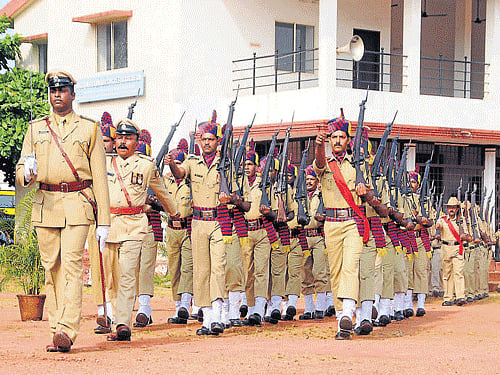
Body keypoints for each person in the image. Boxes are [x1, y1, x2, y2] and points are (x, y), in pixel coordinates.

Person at [16, 70, 111, 352]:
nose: (57, 95)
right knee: (51, 269)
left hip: (77, 202)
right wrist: (26, 174)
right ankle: (56, 329)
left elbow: (100, 179)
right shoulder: (36, 128)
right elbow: (21, 167)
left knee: (71, 265)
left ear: (73, 94)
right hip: (46, 203)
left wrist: (103, 220)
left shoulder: (89, 128)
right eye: (53, 91)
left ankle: (68, 330)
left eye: (63, 90)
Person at [165, 111, 238, 336]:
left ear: (218, 142)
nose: (207, 143)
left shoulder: (225, 165)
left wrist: (229, 198)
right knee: (201, 270)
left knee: (218, 268)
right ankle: (206, 318)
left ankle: (217, 315)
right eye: (203, 139)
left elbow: (235, 195)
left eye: (211, 139)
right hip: (197, 222)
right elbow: (180, 172)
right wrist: (171, 166)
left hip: (219, 221)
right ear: (200, 141)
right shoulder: (192, 162)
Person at [104, 119, 177, 342]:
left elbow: (161, 192)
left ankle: (122, 324)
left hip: (135, 224)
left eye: (128, 138)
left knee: (127, 275)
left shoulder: (146, 165)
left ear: (137, 142)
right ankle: (116, 317)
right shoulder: (105, 164)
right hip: (109, 224)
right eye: (120, 138)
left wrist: (173, 212)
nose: (123, 142)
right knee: (111, 278)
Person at [313, 116, 370, 340]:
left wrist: (365, 189)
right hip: (331, 224)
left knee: (350, 266)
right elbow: (317, 163)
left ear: (348, 140)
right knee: (335, 272)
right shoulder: (325, 162)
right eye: (334, 137)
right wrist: (319, 145)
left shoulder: (358, 164)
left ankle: (348, 312)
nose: (337, 140)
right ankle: (341, 322)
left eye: (342, 137)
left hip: (352, 222)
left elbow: (371, 192)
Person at [91, 112, 116, 335]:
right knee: (98, 269)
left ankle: (116, 312)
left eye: (106, 141)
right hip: (93, 219)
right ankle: (102, 313)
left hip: (116, 220)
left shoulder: (118, 162)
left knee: (114, 269)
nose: (102, 145)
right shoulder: (89, 162)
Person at [163, 143, 194, 325]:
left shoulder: (190, 184)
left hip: (187, 228)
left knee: (187, 268)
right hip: (171, 228)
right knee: (174, 269)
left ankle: (185, 304)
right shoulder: (167, 181)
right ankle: (177, 308)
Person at [299, 166, 330, 320]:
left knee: (320, 271)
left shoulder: (322, 194)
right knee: (305, 273)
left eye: (312, 179)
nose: (309, 182)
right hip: (303, 236)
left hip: (318, 236)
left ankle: (321, 306)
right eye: (307, 179)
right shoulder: (300, 195)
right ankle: (309, 307)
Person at [435, 197, 466, 306]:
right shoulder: (443, 219)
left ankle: (460, 296)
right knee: (447, 274)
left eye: (453, 207)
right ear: (447, 209)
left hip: (457, 248)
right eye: (449, 207)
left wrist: (464, 235)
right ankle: (448, 298)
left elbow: (466, 234)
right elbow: (438, 225)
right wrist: (437, 226)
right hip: (446, 248)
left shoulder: (462, 220)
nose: (451, 209)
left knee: (458, 272)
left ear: (457, 209)